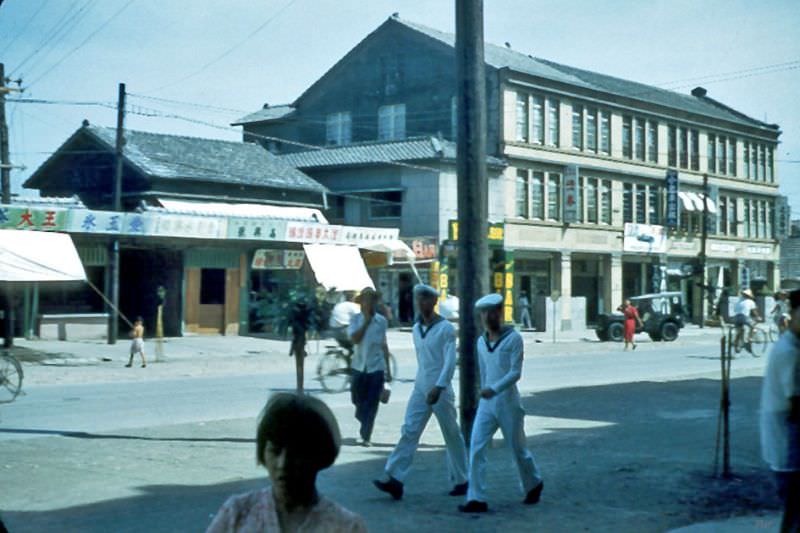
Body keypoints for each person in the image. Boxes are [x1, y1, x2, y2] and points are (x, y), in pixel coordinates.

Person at [207, 393, 367, 533]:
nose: (283, 464)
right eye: (275, 451)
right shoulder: (237, 512)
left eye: (296, 453)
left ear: (318, 455)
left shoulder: (346, 526)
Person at [374, 284, 468, 500]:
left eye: (426, 299)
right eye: (419, 299)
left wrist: (439, 386)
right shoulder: (416, 329)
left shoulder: (445, 329)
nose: (421, 303)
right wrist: (424, 386)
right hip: (420, 387)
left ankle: (462, 479)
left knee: (451, 434)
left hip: (440, 390)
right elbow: (422, 361)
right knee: (409, 430)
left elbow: (450, 361)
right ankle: (394, 477)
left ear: (434, 302)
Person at [459, 293, 543, 514]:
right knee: (476, 447)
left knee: (518, 449)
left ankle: (533, 483)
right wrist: (484, 390)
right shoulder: (481, 341)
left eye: (492, 312)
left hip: (508, 403)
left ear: (500, 313)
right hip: (487, 404)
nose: (488, 317)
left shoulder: (513, 338)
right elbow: (484, 371)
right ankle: (476, 497)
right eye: (484, 313)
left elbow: (515, 373)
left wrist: (493, 388)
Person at [760, 289, 800, 533]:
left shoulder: (791, 345)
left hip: (786, 448)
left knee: (793, 516)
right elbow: (796, 405)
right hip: (789, 450)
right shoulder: (790, 352)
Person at [348, 287, 392, 447]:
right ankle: (362, 419)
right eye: (366, 300)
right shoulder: (355, 320)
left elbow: (384, 345)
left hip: (376, 367)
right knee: (357, 400)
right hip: (359, 366)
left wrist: (388, 370)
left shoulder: (381, 321)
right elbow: (355, 339)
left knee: (372, 403)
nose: (368, 304)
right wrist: (365, 323)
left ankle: (366, 435)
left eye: (371, 300)